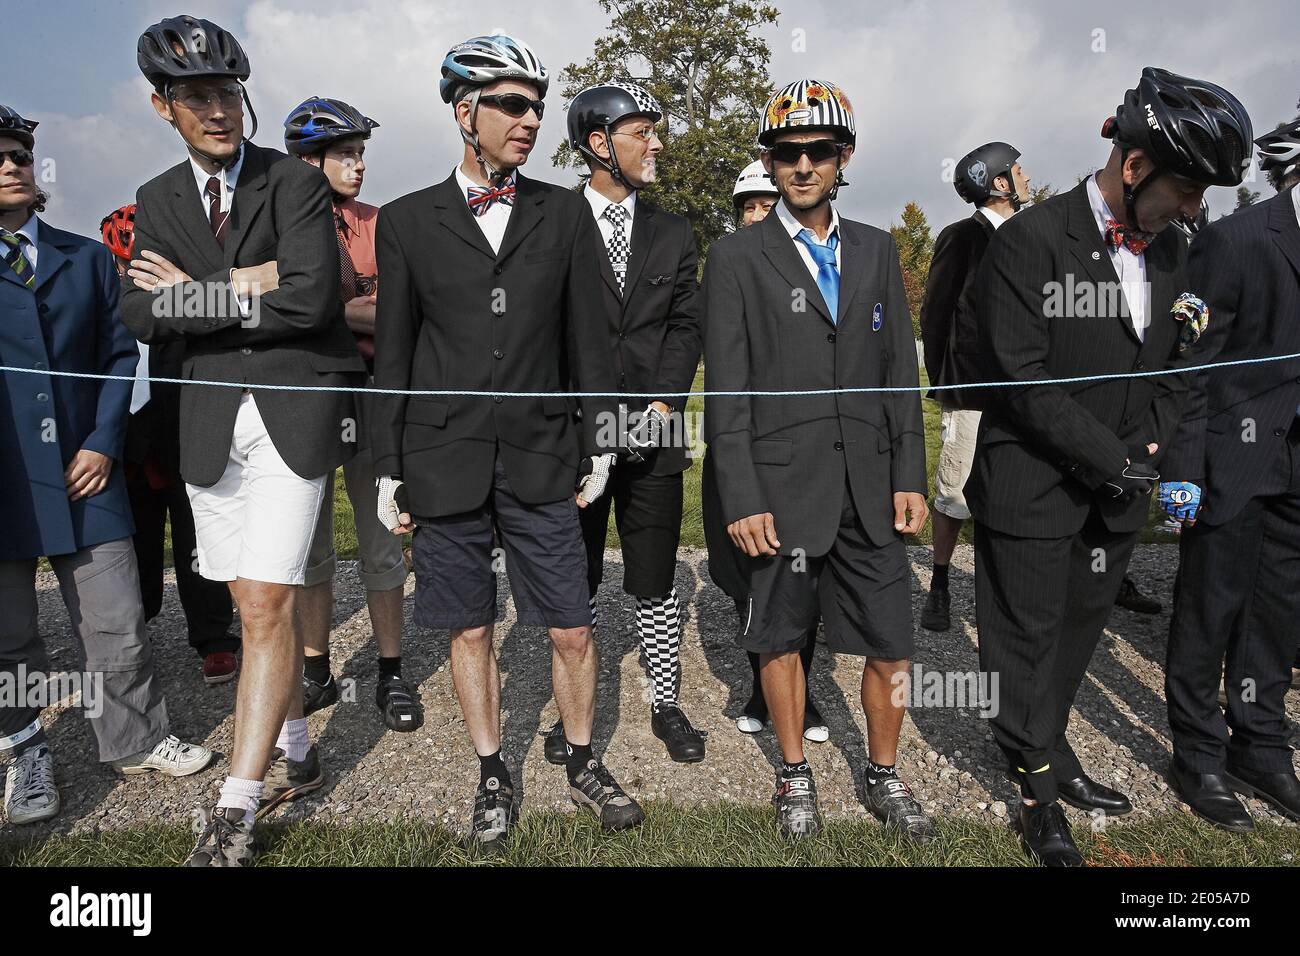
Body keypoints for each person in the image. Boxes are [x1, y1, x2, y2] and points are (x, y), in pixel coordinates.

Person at [965, 67, 1252, 865]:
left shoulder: (1174, 253)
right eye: (1188, 190)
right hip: (1033, 484)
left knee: (1075, 635)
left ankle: (1045, 751)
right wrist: (1113, 459)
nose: (1196, 210)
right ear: (1134, 169)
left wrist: (1151, 450)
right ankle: (1036, 795)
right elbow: (1019, 376)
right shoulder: (1029, 238)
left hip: (1118, 492)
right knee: (1021, 642)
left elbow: (1172, 364)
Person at [372, 34, 642, 852]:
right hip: (443, 457)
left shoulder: (563, 213)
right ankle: (492, 770)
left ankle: (586, 760)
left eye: (537, 105)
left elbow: (587, 341)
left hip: (540, 455)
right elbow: (394, 351)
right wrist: (388, 465)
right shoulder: (406, 220)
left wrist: (600, 441)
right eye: (513, 105)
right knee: (469, 629)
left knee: (572, 625)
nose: (531, 121)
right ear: (465, 111)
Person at [121, 16, 365, 866]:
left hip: (295, 416)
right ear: (164, 106)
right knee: (254, 596)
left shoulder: (292, 184)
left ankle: (234, 809)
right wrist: (248, 282)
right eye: (196, 96)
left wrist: (203, 292)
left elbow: (312, 300)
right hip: (207, 427)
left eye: (228, 91)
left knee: (262, 604)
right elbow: (144, 315)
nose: (219, 109)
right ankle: (297, 735)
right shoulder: (154, 199)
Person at [703, 79, 932, 841]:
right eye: (787, 153)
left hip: (871, 487)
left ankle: (884, 774)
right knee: (778, 636)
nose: (803, 166)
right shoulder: (736, 257)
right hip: (781, 487)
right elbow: (726, 391)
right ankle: (795, 775)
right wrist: (740, 494)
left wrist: (909, 474)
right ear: (768, 162)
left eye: (819, 152)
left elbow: (900, 373)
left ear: (844, 157)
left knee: (893, 641)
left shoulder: (876, 248)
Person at [0, 104, 214, 827]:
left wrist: (100, 442)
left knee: (117, 617)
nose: (10, 166)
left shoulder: (86, 259)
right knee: (9, 634)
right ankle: (26, 749)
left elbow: (121, 357)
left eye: (19, 154)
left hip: (88, 473)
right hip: (4, 485)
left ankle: (135, 738)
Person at [535, 80, 705, 765]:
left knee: (656, 578)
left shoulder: (673, 231)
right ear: (600, 144)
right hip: (577, 437)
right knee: (575, 579)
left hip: (658, 432)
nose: (657, 143)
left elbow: (686, 325)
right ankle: (578, 706)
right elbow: (540, 334)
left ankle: (665, 700)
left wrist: (663, 406)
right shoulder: (549, 225)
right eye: (643, 132)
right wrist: (590, 424)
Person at [1160, 108, 1300, 832]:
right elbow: (1191, 362)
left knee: (1277, 615)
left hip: (1297, 474)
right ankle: (1198, 754)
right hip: (1231, 459)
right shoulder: (1238, 239)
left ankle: (1263, 745)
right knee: (1208, 612)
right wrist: (1182, 467)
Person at [282, 97, 421, 733]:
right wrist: (348, 303)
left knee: (381, 536)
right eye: (345, 154)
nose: (359, 165)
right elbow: (283, 307)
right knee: (306, 547)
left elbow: (400, 312)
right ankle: (316, 668)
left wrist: (323, 305)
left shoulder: (382, 222)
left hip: (372, 390)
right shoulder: (280, 219)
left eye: (362, 153)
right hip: (306, 393)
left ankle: (390, 668)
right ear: (308, 162)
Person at [704, 160, 828, 742]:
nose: (757, 213)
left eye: (763, 202)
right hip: (741, 446)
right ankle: (761, 683)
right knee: (749, 578)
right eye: (747, 206)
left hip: (801, 449)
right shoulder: (732, 265)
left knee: (803, 574)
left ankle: (804, 688)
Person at [101, 203, 238, 685]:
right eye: (123, 264)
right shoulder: (105, 299)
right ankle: (137, 631)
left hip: (182, 430)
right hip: (128, 440)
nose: (130, 270)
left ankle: (215, 638)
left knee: (197, 537)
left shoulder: (182, 288)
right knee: (132, 539)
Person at [919, 141, 1029, 632]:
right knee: (955, 489)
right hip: (969, 390)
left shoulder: (1032, 235)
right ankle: (939, 584)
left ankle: (1000, 591)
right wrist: (948, 385)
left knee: (1009, 491)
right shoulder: (961, 237)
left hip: (1021, 393)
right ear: (999, 183)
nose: (1025, 178)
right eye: (1018, 171)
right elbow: (937, 313)